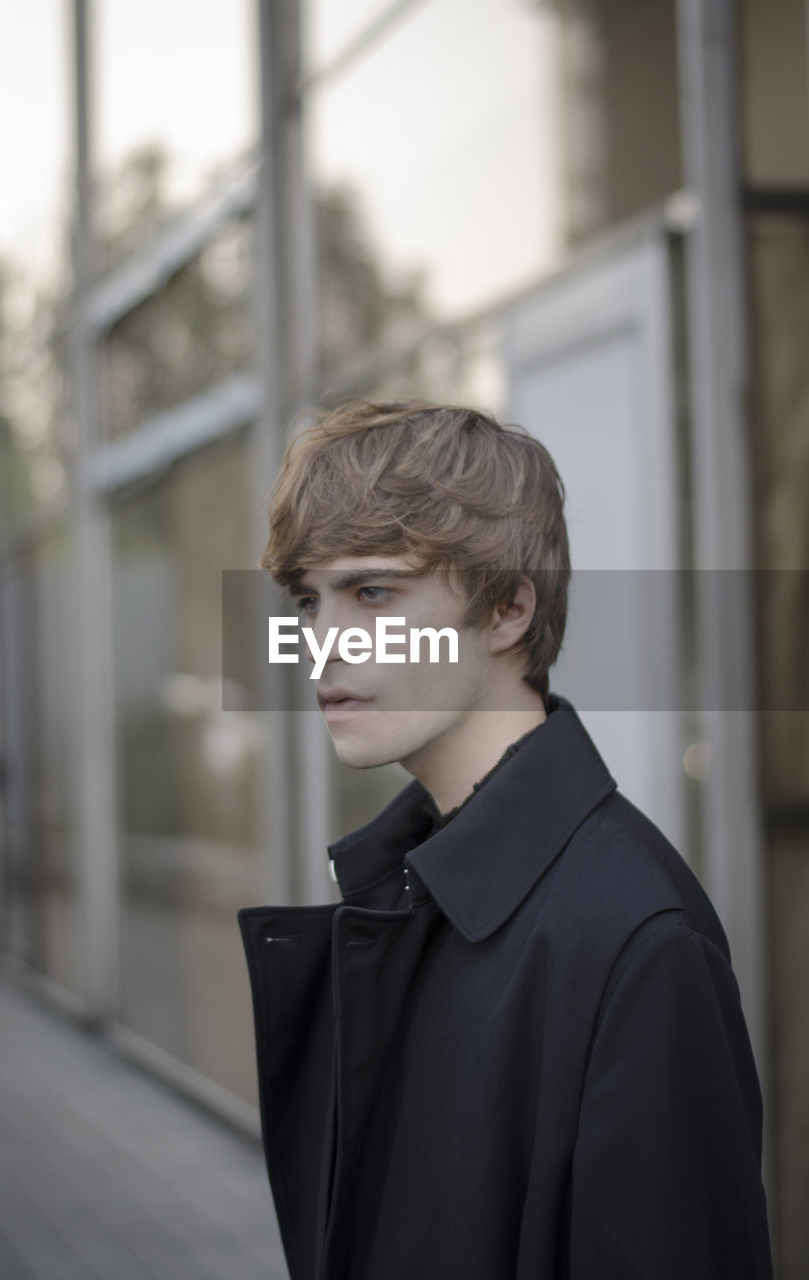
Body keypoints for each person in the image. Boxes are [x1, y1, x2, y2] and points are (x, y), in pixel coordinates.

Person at [237, 400, 774, 1279]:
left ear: (506, 610)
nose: (320, 644)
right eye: (308, 598)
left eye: (372, 592)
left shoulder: (636, 943)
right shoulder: (408, 890)